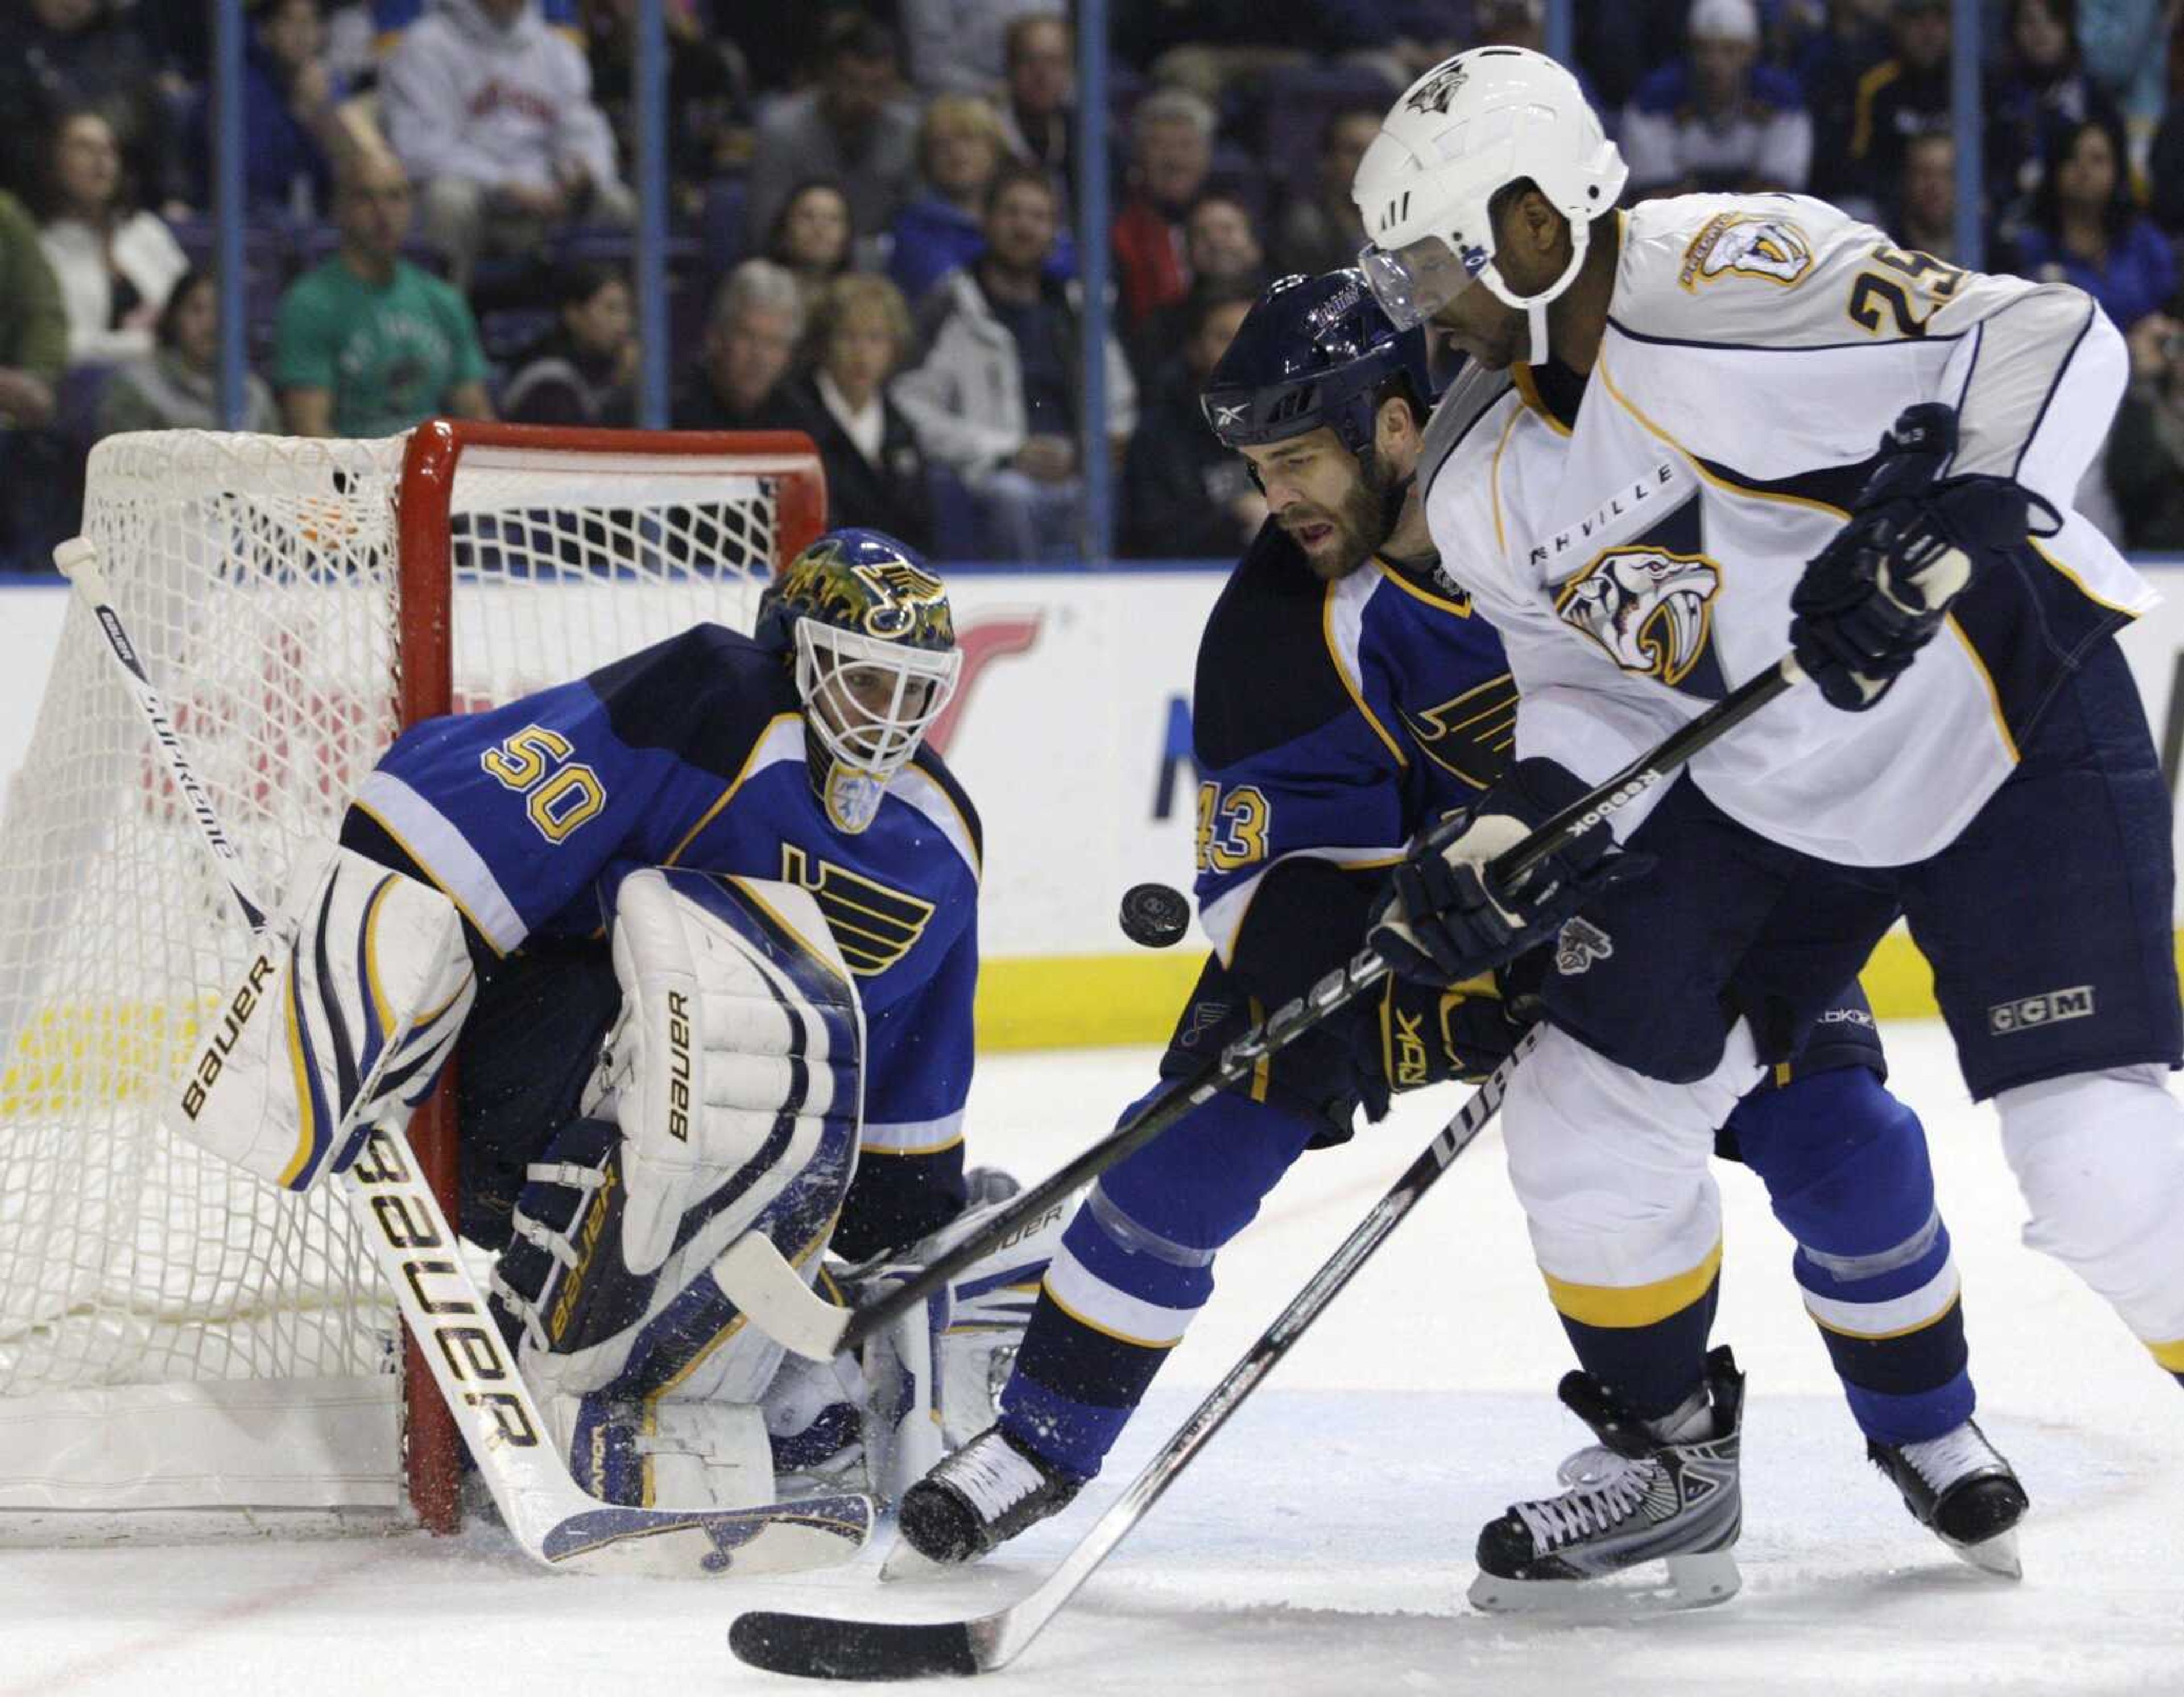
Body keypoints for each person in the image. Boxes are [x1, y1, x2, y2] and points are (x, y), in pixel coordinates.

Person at [893, 272, 2027, 1595]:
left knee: (1840, 1136)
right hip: (1424, 945)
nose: (1279, 500)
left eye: (1298, 459)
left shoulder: (1573, 507)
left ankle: (1918, 1430)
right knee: (1198, 1125)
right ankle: (1040, 1438)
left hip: (1675, 904)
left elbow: (1721, 709)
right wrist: (1422, 935)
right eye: (1259, 470)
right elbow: (1276, 884)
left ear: (1391, 425)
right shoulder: (1275, 624)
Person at [1344, 44, 2182, 1597]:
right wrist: (1513, 830)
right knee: (1585, 1102)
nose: (1415, 300)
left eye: (1428, 255)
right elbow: (1590, 686)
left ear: (1535, 229)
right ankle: (1668, 1446)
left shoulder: (1726, 271)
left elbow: (2052, 338)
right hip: (1771, 784)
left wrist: (1947, 518)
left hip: (2001, 704)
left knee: (2106, 1173)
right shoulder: (1475, 468)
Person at [181, 527, 1061, 1515]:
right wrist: (365, 971)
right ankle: (562, 1331)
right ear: (793, 654)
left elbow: (915, 1064)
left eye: (913, 689)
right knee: (712, 1005)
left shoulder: (936, 841)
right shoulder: (715, 700)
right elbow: (447, 795)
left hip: (700, 1150)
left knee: (792, 1065)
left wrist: (903, 1238)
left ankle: (717, 1369)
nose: (887, 716)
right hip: (523, 1087)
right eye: (862, 678)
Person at [894, 162, 1137, 562]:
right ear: (986, 222)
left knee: (1106, 494)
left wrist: (1087, 452)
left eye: (1039, 217)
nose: (1024, 227)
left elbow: (1119, 400)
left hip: (1074, 471)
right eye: (1012, 212)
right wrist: (1008, 452)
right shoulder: (950, 306)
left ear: (1054, 234)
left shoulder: (1077, 310)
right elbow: (912, 408)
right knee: (1013, 497)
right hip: (991, 474)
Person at [379, 0, 635, 287]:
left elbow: (584, 130)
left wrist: (583, 172)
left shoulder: (554, 48)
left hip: (548, 203)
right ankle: (441, 323)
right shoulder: (425, 45)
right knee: (449, 200)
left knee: (618, 206)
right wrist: (505, 184)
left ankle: (612, 326)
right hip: (476, 201)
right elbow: (419, 149)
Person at [273, 151, 494, 437]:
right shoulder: (310, 304)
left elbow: (476, 414)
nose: (383, 212)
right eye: (366, 197)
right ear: (340, 207)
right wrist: (371, 481)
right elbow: (310, 430)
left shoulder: (443, 299)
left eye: (396, 197)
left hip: (431, 473)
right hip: (349, 476)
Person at [776, 274, 933, 551]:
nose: (862, 354)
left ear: (894, 349)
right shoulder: (792, 415)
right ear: (824, 343)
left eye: (875, 339)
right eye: (848, 337)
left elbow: (919, 527)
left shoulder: (901, 429)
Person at [744, 15, 920, 246]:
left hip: (879, 271)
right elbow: (765, 229)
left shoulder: (908, 132)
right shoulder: (782, 130)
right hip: (798, 266)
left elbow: (917, 224)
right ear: (827, 76)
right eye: (852, 83)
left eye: (878, 86)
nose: (866, 98)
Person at [31, 107, 187, 368]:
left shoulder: (145, 231)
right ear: (53, 162)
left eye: (110, 149)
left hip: (167, 393)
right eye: (84, 148)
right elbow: (58, 345)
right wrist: (144, 345)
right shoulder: (40, 246)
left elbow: (188, 313)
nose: (101, 158)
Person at [1118, 282, 1260, 558]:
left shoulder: (1299, 424)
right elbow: (1153, 539)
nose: (1243, 350)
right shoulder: (1160, 436)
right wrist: (1235, 519)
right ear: (1195, 349)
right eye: (1224, 337)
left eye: (1253, 336)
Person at [1620, 0, 1814, 197]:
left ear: (1752, 51)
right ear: (1689, 48)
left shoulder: (1779, 98)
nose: (1715, 62)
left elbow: (1780, 192)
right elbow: (1653, 194)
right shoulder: (1656, 98)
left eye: (1730, 50)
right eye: (1704, 49)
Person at [2007, 115, 2177, 335]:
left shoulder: (2143, 240)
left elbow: (2171, 312)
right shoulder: (2029, 248)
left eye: (2098, 159)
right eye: (2072, 157)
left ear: (2117, 169)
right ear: (2055, 169)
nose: (2084, 169)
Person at [96, 267, 280, 436]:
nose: (210, 324)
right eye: (197, 310)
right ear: (173, 317)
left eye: (221, 311)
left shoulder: (255, 395)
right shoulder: (138, 387)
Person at [1110, 88, 1216, 332]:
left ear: (1207, 156)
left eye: (1186, 145)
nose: (1174, 160)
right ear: (1139, 155)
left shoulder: (1227, 225)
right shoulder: (1117, 232)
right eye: (1161, 146)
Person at [888, 96, 1010, 307]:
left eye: (969, 139)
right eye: (942, 143)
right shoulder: (913, 229)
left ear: (994, 150)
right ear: (926, 158)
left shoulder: (1017, 214)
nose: (957, 152)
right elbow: (952, 294)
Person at [498, 260, 635, 426]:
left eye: (626, 310)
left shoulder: (606, 369)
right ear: (573, 314)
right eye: (610, 309)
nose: (623, 323)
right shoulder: (549, 383)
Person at [673, 258, 800, 431]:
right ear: (716, 338)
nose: (759, 356)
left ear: (789, 355)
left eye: (773, 343)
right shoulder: (671, 408)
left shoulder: (801, 421)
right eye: (747, 336)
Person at [1273, 108, 1383, 280]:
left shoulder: (1412, 226)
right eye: (1354, 151)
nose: (1369, 162)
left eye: (1378, 151)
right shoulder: (1307, 231)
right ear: (1327, 162)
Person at [765, 179, 858, 317]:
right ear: (785, 229)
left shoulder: (859, 302)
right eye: (807, 217)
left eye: (833, 219)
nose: (819, 228)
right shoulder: (758, 290)